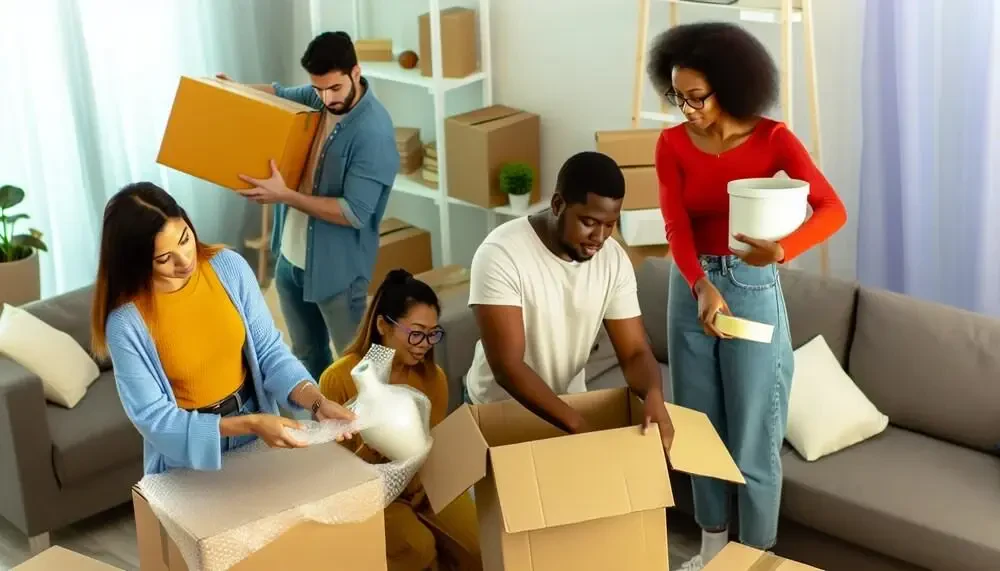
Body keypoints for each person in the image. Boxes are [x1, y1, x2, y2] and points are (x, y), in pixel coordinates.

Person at [647, 22, 848, 570]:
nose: (685, 109)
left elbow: (832, 209)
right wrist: (700, 285)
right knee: (698, 425)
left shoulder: (773, 139)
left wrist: (782, 251)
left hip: (752, 283)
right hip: (691, 287)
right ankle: (712, 547)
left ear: (731, 86)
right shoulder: (670, 145)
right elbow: (676, 225)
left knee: (755, 429)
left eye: (696, 97)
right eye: (676, 96)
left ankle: (755, 558)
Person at [91, 183, 356, 476]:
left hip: (259, 429)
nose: (184, 259)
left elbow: (269, 351)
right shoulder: (126, 324)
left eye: (184, 238)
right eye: (164, 258)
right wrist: (249, 424)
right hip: (192, 454)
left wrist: (317, 402)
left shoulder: (228, 268)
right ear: (134, 261)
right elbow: (155, 420)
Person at [217, 30, 400, 379]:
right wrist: (235, 90)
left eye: (334, 89)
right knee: (306, 352)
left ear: (356, 73)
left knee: (361, 365)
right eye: (318, 89)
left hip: (338, 271)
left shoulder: (373, 133)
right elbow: (279, 94)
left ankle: (374, 427)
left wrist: (285, 196)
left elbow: (354, 213)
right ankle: (328, 425)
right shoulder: (317, 98)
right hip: (290, 260)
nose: (326, 98)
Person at [464, 151, 675, 448]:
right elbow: (507, 367)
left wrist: (653, 394)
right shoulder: (500, 254)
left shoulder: (613, 259)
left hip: (568, 403)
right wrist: (580, 425)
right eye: (589, 222)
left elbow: (635, 352)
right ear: (557, 204)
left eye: (610, 224)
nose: (599, 237)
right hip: (499, 411)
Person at [318, 269, 480, 571]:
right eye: (416, 332)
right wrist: (372, 448)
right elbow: (333, 473)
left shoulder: (432, 378)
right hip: (372, 494)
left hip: (423, 483)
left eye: (433, 333)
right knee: (417, 550)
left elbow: (435, 444)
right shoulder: (339, 379)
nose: (425, 343)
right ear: (383, 325)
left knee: (476, 547)